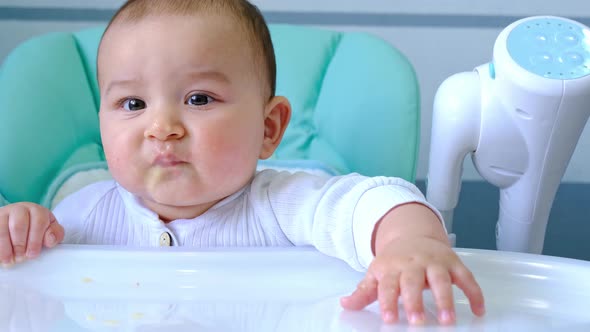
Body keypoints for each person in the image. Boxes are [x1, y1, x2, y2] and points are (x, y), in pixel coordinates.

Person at [0, 0, 485, 325]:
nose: (162, 126)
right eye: (132, 105)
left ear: (269, 128)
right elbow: (31, 294)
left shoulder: (287, 204)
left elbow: (376, 200)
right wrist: (21, 229)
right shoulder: (85, 213)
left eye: (199, 98)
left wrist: (411, 244)